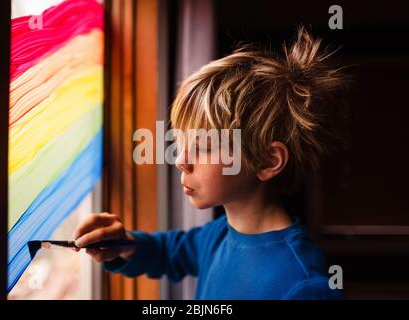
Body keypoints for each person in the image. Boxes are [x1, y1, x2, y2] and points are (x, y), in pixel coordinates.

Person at [74, 27, 348, 299]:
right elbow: (169, 252)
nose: (181, 161)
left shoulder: (302, 285)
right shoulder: (218, 235)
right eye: (180, 143)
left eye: (202, 148)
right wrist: (122, 244)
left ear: (268, 161)